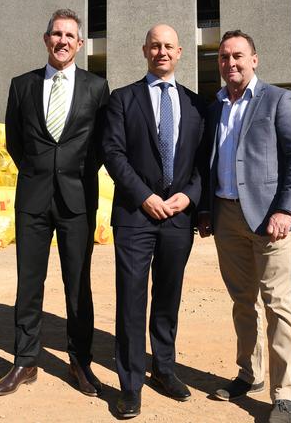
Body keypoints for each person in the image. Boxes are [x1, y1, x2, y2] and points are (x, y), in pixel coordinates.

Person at [0, 9, 110, 398]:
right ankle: (25, 361)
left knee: (78, 286)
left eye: (69, 35)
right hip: (33, 200)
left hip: (77, 200)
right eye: (56, 34)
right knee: (29, 283)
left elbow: (100, 146)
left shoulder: (96, 87)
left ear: (79, 44)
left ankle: (80, 362)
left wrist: (71, 174)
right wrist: (41, 172)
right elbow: (15, 143)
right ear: (46, 40)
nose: (62, 41)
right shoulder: (21, 85)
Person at [198, 30, 291, 423]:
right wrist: (206, 211)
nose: (231, 63)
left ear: (255, 59)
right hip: (227, 216)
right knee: (241, 302)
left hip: (270, 220)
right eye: (225, 57)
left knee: (278, 304)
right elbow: (208, 163)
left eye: (239, 56)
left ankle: (284, 394)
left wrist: (287, 210)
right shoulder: (214, 108)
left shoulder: (279, 100)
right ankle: (250, 375)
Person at [103, 24, 206, 418]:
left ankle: (163, 369)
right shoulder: (122, 99)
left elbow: (203, 162)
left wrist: (191, 196)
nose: (161, 52)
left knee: (168, 296)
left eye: (168, 46)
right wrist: (144, 197)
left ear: (180, 52)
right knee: (131, 299)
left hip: (178, 217)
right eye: (155, 46)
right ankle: (130, 384)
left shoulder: (197, 105)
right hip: (134, 215)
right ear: (144, 50)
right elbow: (113, 154)